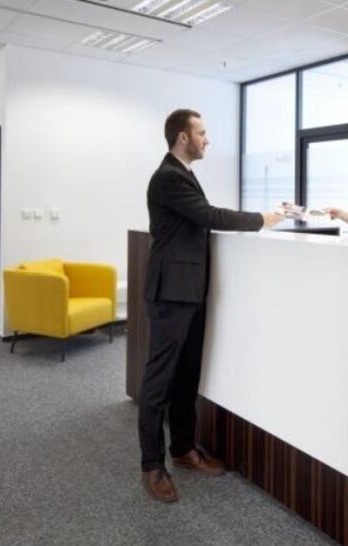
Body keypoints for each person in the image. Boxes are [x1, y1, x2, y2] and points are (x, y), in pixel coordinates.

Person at [139, 109, 282, 503]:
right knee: (159, 382)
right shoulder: (168, 176)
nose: (207, 139)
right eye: (201, 132)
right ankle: (152, 466)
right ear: (182, 137)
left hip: (190, 291)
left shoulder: (184, 174)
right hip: (170, 293)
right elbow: (208, 215)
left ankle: (183, 449)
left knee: (187, 376)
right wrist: (263, 218)